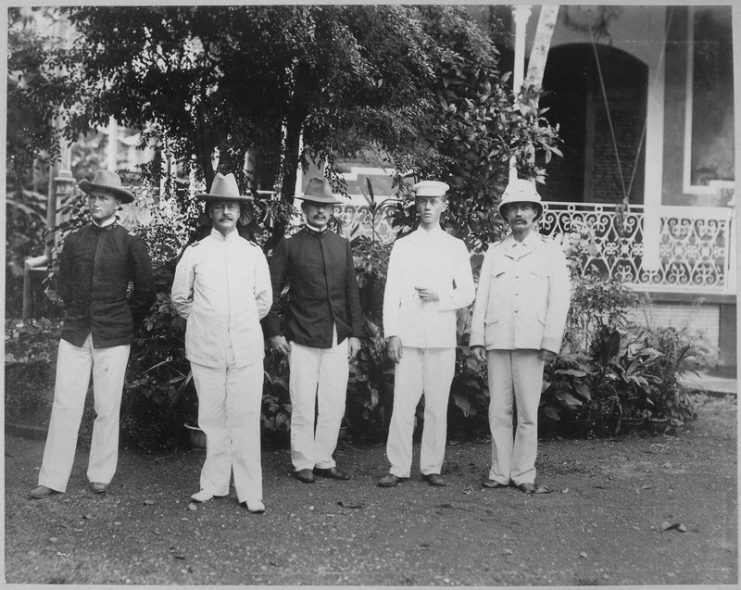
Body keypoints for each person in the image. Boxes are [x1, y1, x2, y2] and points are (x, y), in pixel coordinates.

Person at [29, 170, 155, 499]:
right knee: (64, 403)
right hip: (75, 332)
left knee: (107, 406)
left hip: (113, 335)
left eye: (103, 197)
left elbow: (145, 292)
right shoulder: (75, 240)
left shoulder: (130, 243)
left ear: (117, 204)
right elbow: (64, 284)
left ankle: (100, 473)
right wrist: (76, 310)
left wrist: (123, 318)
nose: (96, 202)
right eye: (92, 196)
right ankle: (52, 478)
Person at [171, 172, 272, 513]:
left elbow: (263, 301)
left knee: (243, 419)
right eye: (219, 206)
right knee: (212, 419)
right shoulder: (196, 253)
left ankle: (249, 491)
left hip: (244, 349)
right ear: (210, 211)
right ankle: (212, 485)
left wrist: (237, 322)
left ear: (239, 212)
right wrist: (207, 321)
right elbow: (180, 299)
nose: (226, 212)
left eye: (231, 206)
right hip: (206, 349)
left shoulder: (252, 253)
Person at [470, 178, 571, 494]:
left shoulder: (549, 251)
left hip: (532, 340)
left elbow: (559, 299)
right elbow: (482, 296)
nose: (519, 214)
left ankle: (523, 473)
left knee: (528, 411)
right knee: (498, 409)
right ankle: (500, 472)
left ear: (535, 213)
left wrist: (551, 340)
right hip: (498, 338)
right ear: (506, 214)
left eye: (525, 207)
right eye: (513, 208)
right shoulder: (495, 252)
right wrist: (477, 338)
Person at [263, 176, 362, 484]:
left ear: (332, 212)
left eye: (325, 207)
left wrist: (356, 333)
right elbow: (271, 289)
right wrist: (274, 331)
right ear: (304, 209)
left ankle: (324, 459)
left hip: (336, 335)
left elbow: (351, 292)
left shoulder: (341, 246)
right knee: (304, 402)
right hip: (301, 334)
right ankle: (302, 461)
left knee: (334, 402)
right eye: (315, 206)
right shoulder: (290, 246)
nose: (320, 211)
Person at [378, 180, 475, 488]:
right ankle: (398, 466)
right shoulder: (404, 246)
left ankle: (432, 466)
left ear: (444, 205)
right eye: (423, 202)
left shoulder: (455, 247)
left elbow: (468, 292)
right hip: (408, 336)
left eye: (434, 202)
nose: (428, 207)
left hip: (441, 338)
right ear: (416, 206)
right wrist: (392, 333)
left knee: (436, 405)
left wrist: (440, 296)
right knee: (404, 404)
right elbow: (391, 293)